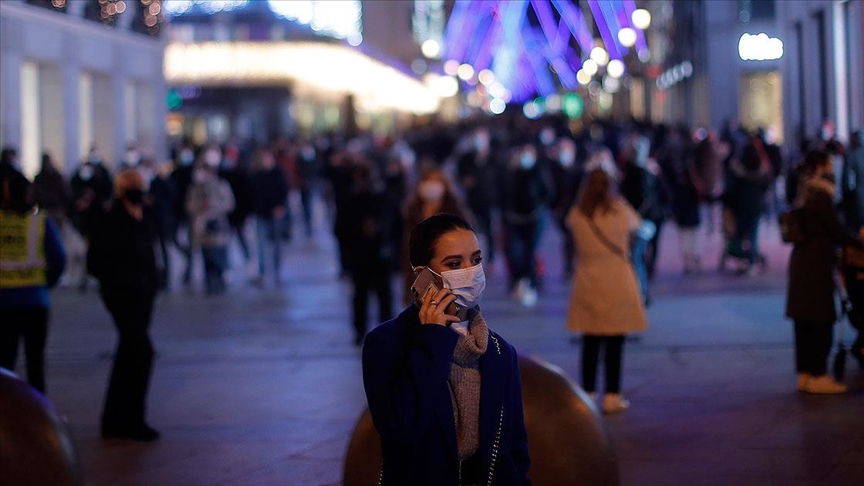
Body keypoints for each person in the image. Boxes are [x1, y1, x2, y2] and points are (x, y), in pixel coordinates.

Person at [362, 213, 530, 485]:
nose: (471, 271)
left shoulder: (499, 351)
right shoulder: (386, 343)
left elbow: (515, 449)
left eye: (476, 259)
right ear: (423, 275)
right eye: (454, 263)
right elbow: (401, 428)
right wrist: (432, 339)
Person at [565, 166, 648, 414]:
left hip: (588, 278)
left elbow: (570, 230)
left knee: (590, 341)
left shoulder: (578, 213)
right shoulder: (621, 211)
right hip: (616, 278)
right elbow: (639, 226)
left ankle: (588, 393)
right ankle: (612, 395)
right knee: (615, 340)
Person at [87, 168, 161, 441]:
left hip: (143, 296)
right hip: (123, 296)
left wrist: (154, 282)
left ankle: (115, 420)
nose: (139, 190)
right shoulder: (111, 220)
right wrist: (120, 281)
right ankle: (132, 419)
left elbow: (150, 254)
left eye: (141, 184)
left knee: (128, 354)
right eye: (134, 185)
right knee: (141, 352)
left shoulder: (143, 217)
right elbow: (95, 262)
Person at [786, 150, 864, 394]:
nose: (833, 167)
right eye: (830, 163)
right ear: (821, 166)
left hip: (801, 261)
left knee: (804, 321)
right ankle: (818, 374)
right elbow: (835, 230)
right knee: (821, 319)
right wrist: (859, 242)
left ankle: (805, 374)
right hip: (816, 263)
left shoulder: (804, 189)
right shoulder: (820, 193)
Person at [0, 159, 66, 394]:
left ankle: (6, 409)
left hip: (4, 303)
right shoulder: (39, 222)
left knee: (5, 365)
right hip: (35, 301)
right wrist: (45, 284)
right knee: (35, 363)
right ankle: (39, 411)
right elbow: (59, 258)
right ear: (28, 194)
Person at [401, 166, 470, 304]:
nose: (432, 186)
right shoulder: (413, 208)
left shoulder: (453, 207)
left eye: (436, 181)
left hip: (447, 268)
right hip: (420, 267)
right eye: (428, 181)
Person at [186, 148, 235, 295]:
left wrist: (215, 206)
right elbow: (189, 205)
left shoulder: (222, 185)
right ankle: (210, 282)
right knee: (206, 256)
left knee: (217, 255)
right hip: (202, 227)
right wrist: (201, 206)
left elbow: (229, 203)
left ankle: (220, 278)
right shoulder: (196, 188)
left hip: (217, 226)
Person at [250, 148, 289, 286]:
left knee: (277, 244)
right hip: (261, 213)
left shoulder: (278, 172)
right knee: (261, 245)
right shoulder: (256, 174)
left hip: (276, 213)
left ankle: (277, 271)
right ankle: (262, 272)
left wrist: (280, 206)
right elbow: (252, 193)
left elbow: (284, 190)